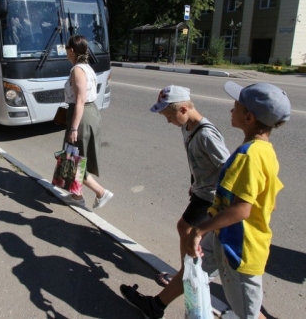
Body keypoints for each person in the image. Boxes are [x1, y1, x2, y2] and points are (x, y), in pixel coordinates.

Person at [121, 81, 291, 319]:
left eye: (236, 107)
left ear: (249, 117)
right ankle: (156, 305)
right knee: (194, 268)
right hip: (225, 235)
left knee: (248, 314)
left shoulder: (249, 155)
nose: (231, 111)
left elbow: (243, 209)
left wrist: (199, 230)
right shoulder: (264, 150)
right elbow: (268, 198)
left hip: (240, 247)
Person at [119, 85, 230, 312]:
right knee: (186, 230)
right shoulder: (187, 126)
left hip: (210, 195)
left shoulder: (207, 134)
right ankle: (185, 274)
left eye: (169, 116)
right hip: (201, 189)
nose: (168, 121)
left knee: (186, 229)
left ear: (183, 109)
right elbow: (199, 162)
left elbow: (227, 168)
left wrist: (218, 197)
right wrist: (194, 182)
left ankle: (186, 276)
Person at [61, 35, 113, 209]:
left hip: (81, 116)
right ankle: (77, 196)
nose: (65, 50)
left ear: (72, 50)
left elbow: (80, 100)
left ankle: (101, 193)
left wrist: (74, 128)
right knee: (75, 157)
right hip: (87, 113)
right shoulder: (87, 68)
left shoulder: (77, 70)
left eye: (67, 47)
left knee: (75, 160)